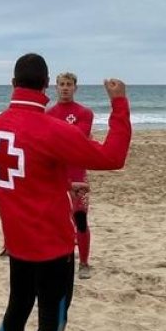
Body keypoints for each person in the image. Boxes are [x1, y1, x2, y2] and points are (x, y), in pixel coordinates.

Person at [0, 53, 133, 331]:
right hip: (52, 245)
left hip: (17, 241)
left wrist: (65, 184)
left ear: (13, 83)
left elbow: (28, 171)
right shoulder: (53, 129)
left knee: (17, 307)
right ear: (46, 84)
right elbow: (113, 157)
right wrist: (119, 103)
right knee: (53, 318)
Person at [45, 72, 96, 279]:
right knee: (54, 220)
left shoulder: (85, 113)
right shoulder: (48, 114)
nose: (65, 88)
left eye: (69, 84)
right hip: (55, 175)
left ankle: (83, 263)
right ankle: (56, 259)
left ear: (76, 88)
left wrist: (60, 138)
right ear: (55, 87)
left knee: (80, 218)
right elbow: (48, 143)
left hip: (78, 173)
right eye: (61, 84)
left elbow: (78, 139)